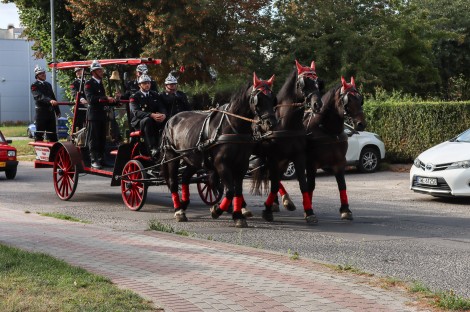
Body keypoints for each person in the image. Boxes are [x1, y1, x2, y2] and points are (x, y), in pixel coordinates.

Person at [84, 60, 119, 169]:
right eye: (99, 70)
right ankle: (93, 159)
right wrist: (105, 98)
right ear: (93, 72)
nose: (101, 72)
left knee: (102, 138)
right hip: (93, 115)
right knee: (93, 138)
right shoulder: (89, 83)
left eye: (101, 70)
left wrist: (115, 100)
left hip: (102, 114)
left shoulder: (100, 84)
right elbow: (90, 99)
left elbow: (103, 99)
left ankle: (101, 158)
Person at [129, 74, 167, 159]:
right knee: (147, 120)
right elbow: (136, 112)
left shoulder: (154, 94)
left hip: (154, 120)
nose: (147, 85)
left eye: (149, 83)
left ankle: (166, 144)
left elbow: (162, 107)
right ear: (139, 85)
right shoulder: (134, 97)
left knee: (166, 120)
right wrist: (151, 114)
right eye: (145, 83)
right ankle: (152, 148)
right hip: (139, 122)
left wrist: (163, 114)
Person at [30, 65, 61, 142]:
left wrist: (57, 110)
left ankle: (53, 151)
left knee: (52, 134)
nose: (43, 75)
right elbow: (39, 96)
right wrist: (49, 100)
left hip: (50, 112)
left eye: (44, 73)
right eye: (41, 73)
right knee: (39, 133)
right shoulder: (34, 85)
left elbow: (53, 97)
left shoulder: (48, 84)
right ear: (37, 76)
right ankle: (39, 151)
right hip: (41, 113)